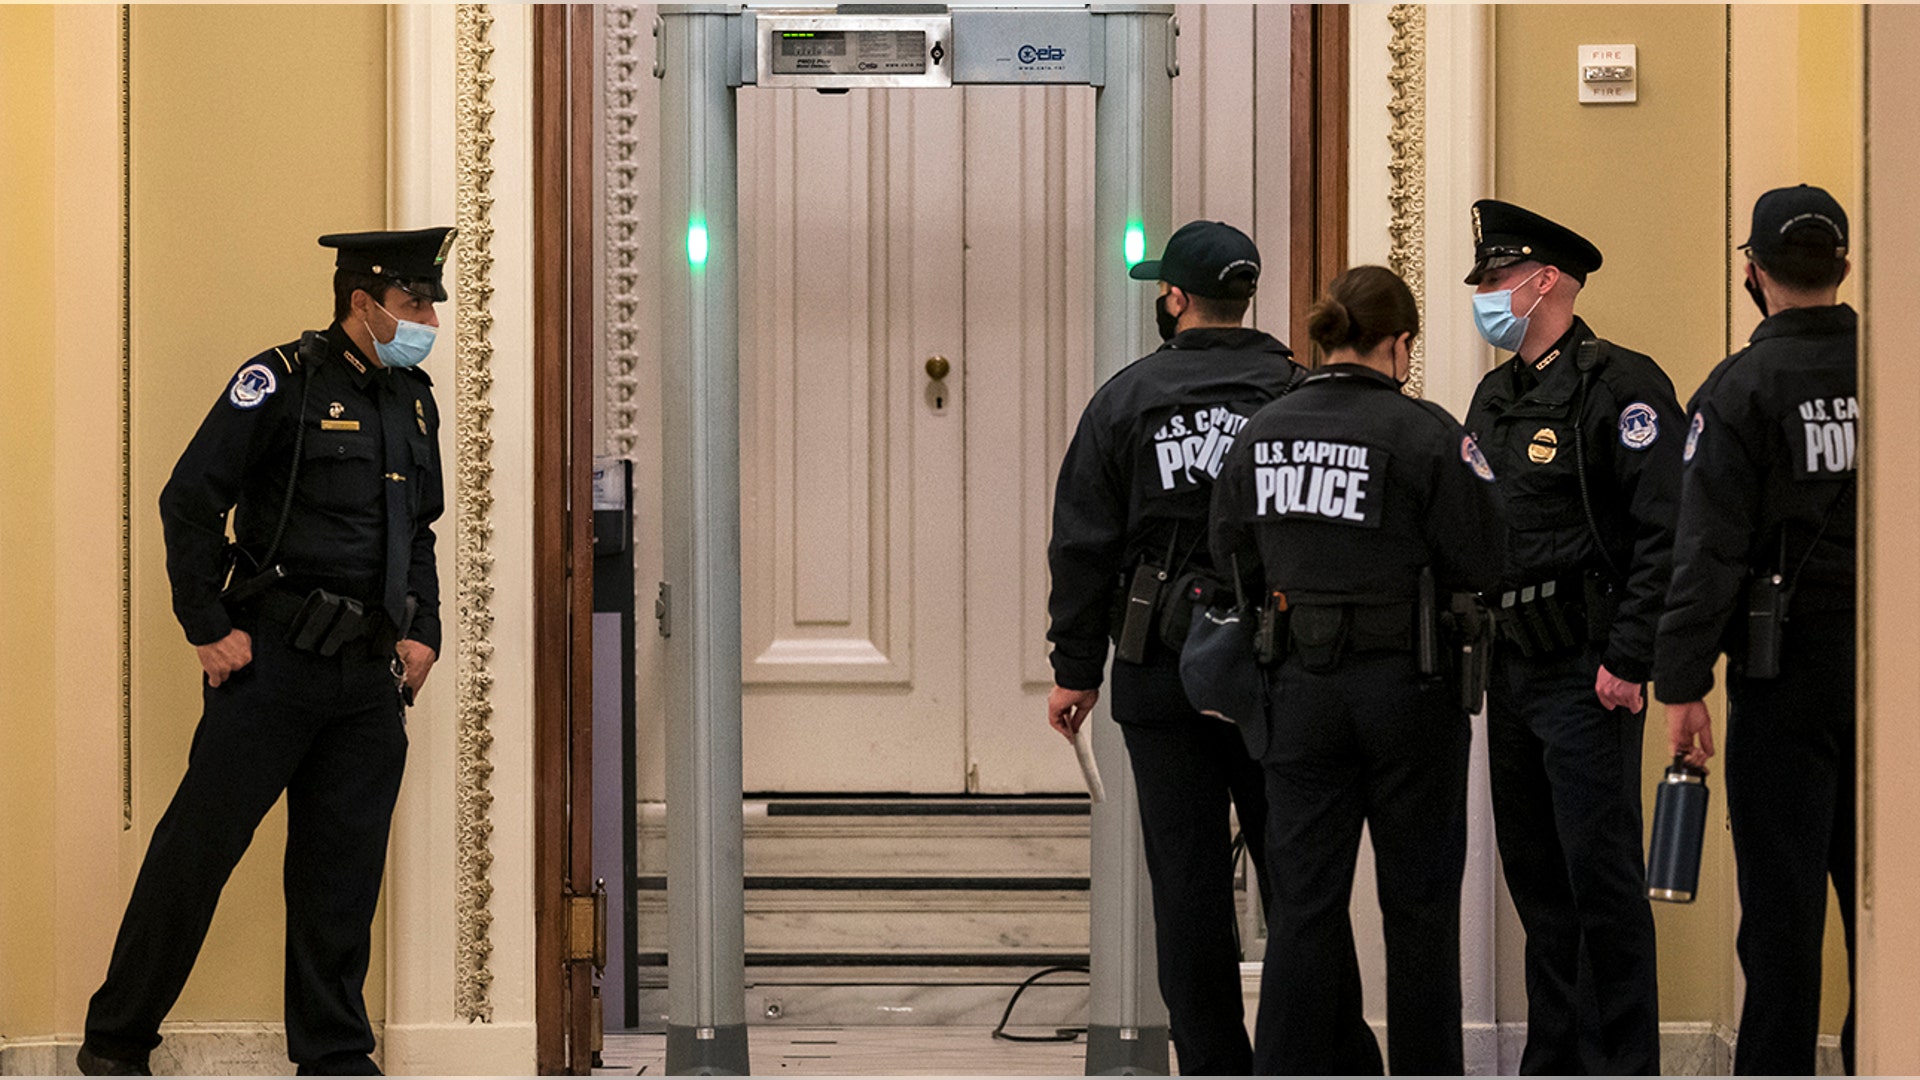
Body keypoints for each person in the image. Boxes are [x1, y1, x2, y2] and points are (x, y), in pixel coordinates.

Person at [78, 228, 456, 1077]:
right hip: (273, 668)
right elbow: (188, 500)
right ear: (363, 303)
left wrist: (422, 629)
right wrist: (207, 624)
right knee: (194, 857)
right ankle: (115, 1044)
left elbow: (419, 529)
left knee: (341, 880)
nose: (431, 317)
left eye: (430, 301)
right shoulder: (280, 381)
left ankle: (333, 1056)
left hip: (366, 680)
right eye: (414, 302)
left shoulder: (412, 399)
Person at [1210, 265, 1505, 1075]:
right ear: (1399, 343)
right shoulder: (1427, 434)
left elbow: (1228, 549)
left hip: (1297, 688)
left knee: (1303, 909)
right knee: (1418, 909)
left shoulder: (1262, 431)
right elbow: (1482, 554)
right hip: (1410, 689)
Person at [1045, 219, 1299, 1075]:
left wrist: (1073, 669)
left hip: (1161, 668)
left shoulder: (1126, 399)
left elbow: (1082, 543)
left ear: (1177, 298)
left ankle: (1213, 1066)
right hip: (1278, 664)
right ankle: (1298, 1061)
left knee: (1188, 891)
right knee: (1297, 879)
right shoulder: (1296, 394)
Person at [1462, 199, 1681, 1074]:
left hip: (1587, 672)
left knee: (1603, 887)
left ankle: (1623, 1066)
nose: (1483, 294)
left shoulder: (1619, 386)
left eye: (1494, 279)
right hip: (1511, 671)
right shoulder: (1495, 394)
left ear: (1542, 280)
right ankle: (1553, 1061)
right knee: (1540, 887)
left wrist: (1631, 660)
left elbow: (1666, 533)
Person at [1655, 185, 1858, 1075]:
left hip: (1785, 672)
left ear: (1753, 271)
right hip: (1892, 666)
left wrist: (1682, 684)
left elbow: (1707, 554)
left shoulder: (1737, 391)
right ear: (1844, 267)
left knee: (1782, 915)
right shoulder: (1895, 367)